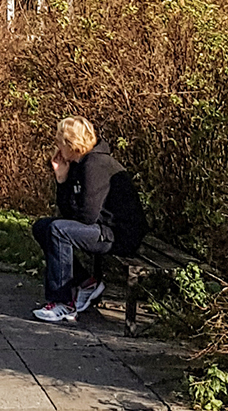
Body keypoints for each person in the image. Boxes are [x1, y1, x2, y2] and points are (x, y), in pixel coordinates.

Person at [31, 114, 146, 324]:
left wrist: (68, 194)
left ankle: (63, 302)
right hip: (101, 228)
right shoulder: (79, 164)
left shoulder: (94, 165)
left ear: (71, 144)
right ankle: (85, 282)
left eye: (59, 141)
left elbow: (87, 216)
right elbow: (68, 214)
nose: (56, 146)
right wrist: (62, 179)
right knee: (42, 227)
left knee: (57, 230)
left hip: (118, 234)